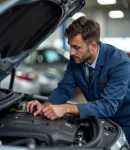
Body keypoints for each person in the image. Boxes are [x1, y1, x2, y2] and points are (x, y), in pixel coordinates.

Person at [27, 16, 130, 144]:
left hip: (125, 121)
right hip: (98, 119)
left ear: (92, 46)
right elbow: (64, 89)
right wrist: (45, 107)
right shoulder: (77, 60)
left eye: (76, 47)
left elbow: (108, 105)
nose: (71, 53)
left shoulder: (119, 62)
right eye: (70, 46)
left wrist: (65, 108)